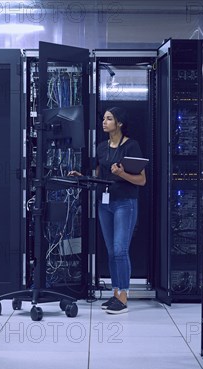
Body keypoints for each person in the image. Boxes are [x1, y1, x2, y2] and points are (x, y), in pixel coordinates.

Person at [69, 107, 146, 314]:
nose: (104, 122)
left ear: (119, 123)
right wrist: (81, 176)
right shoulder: (102, 147)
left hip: (125, 203)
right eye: (104, 119)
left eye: (109, 119)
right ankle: (115, 293)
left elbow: (142, 180)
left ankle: (123, 295)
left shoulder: (131, 146)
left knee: (121, 250)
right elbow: (98, 176)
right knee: (112, 252)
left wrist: (122, 174)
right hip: (105, 204)